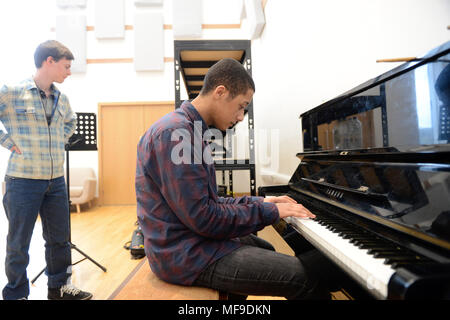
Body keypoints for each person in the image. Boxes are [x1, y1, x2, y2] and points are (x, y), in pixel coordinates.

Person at [136, 58, 341, 299]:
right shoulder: (176, 134)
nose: (242, 116)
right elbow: (205, 218)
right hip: (184, 254)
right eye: (242, 106)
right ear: (220, 92)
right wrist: (271, 213)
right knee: (303, 278)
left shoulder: (189, 130)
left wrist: (261, 203)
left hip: (191, 241)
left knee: (265, 248)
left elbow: (209, 203)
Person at [0, 40, 92, 300]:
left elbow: (71, 122)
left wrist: (59, 140)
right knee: (18, 243)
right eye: (66, 66)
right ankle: (16, 294)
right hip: (22, 181)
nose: (69, 72)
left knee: (59, 240)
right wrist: (7, 142)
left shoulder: (62, 98)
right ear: (49, 61)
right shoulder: (12, 91)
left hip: (56, 182)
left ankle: (59, 288)